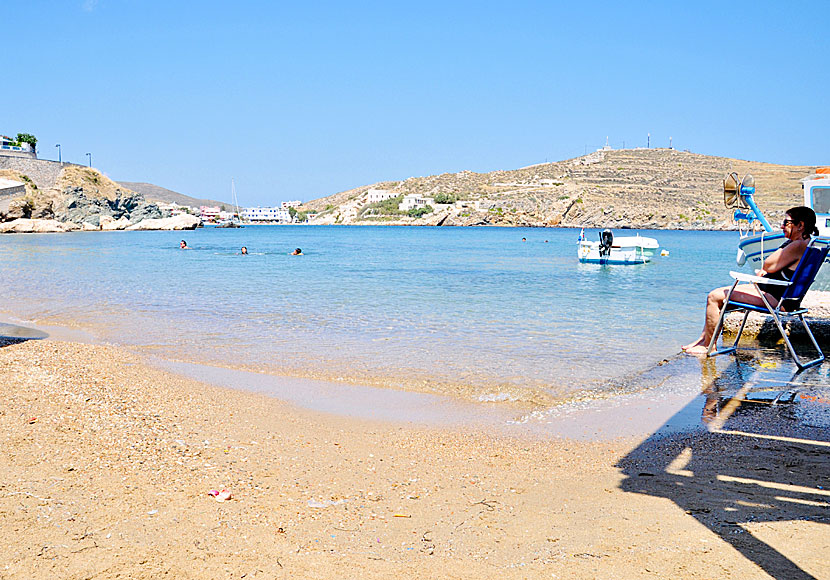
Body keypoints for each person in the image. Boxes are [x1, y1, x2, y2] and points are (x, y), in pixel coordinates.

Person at [682, 206, 818, 356]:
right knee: (721, 297)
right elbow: (770, 268)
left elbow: (769, 264)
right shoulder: (807, 243)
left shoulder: (797, 245)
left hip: (776, 299)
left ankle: (708, 346)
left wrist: (769, 266)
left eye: (786, 223)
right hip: (782, 296)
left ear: (800, 225)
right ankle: (703, 340)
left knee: (714, 296)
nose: (781, 226)